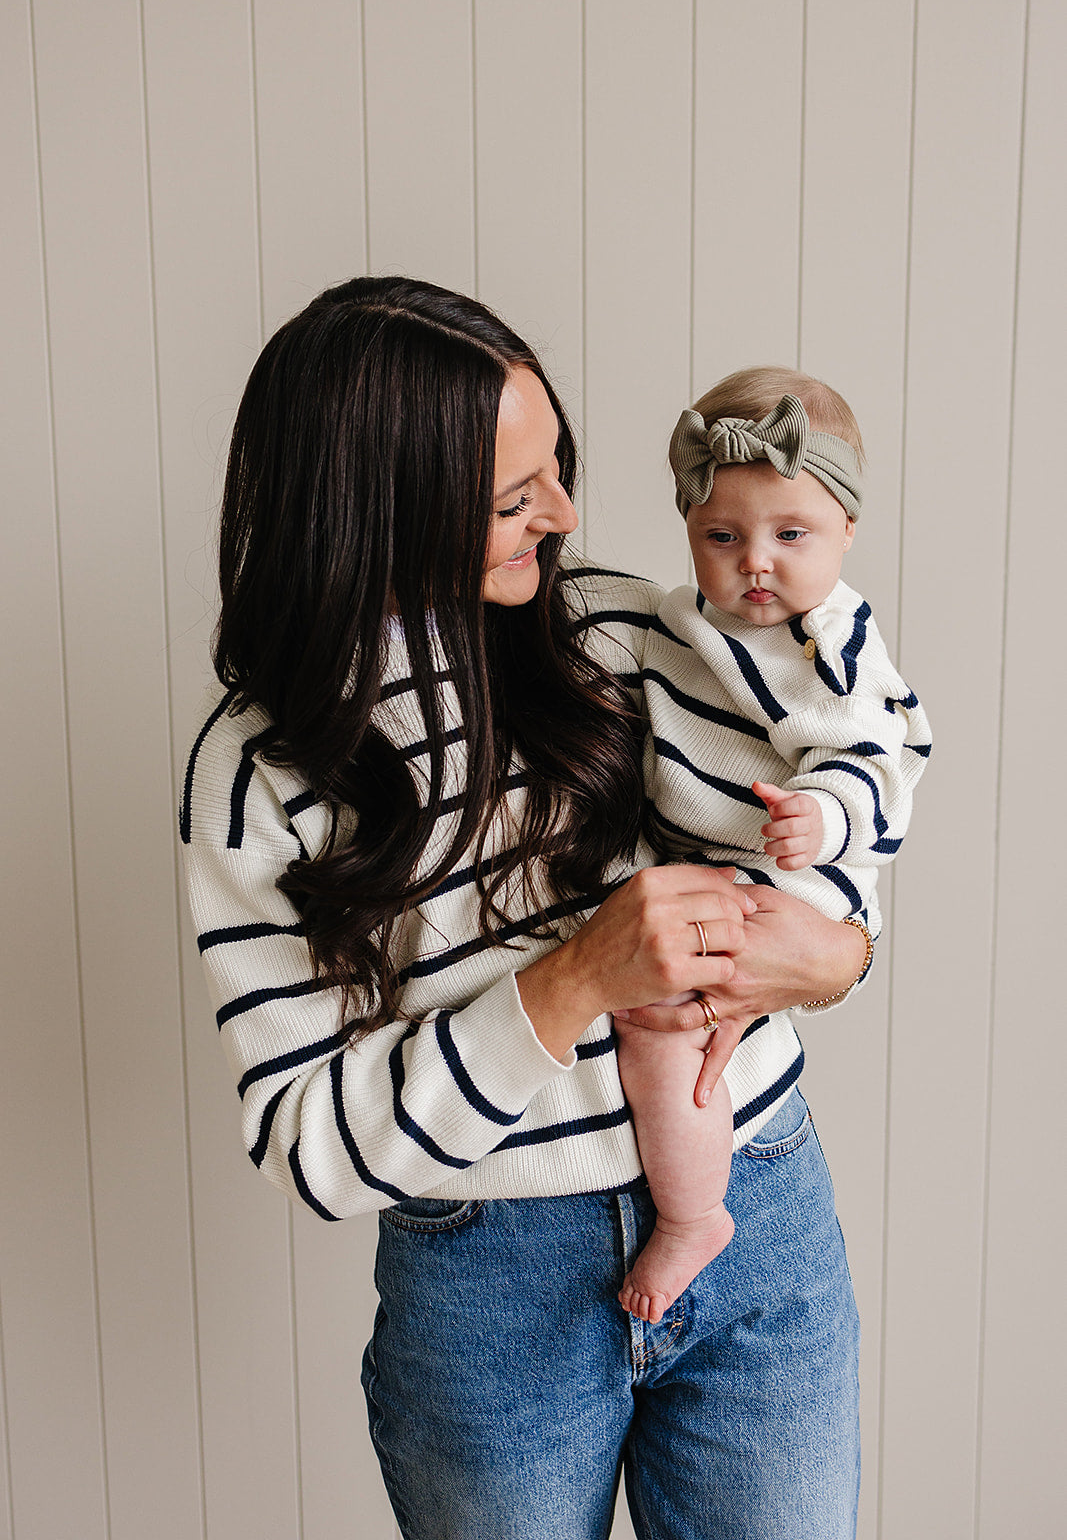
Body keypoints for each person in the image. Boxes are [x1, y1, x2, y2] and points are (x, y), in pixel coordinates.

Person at [180, 280, 871, 1540]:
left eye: (557, 468)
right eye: (513, 495)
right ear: (379, 507)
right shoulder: (262, 770)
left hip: (758, 1210)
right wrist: (569, 983)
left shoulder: (628, 634)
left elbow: (835, 774)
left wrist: (837, 954)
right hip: (487, 1283)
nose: (561, 513)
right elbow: (314, 1145)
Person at [616, 369, 930, 1326]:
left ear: (843, 532)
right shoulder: (678, 627)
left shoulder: (829, 641)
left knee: (663, 1031)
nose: (755, 562)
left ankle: (694, 1214)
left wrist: (823, 816)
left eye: (789, 536)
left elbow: (881, 756)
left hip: (791, 875)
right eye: (722, 537)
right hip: (713, 867)